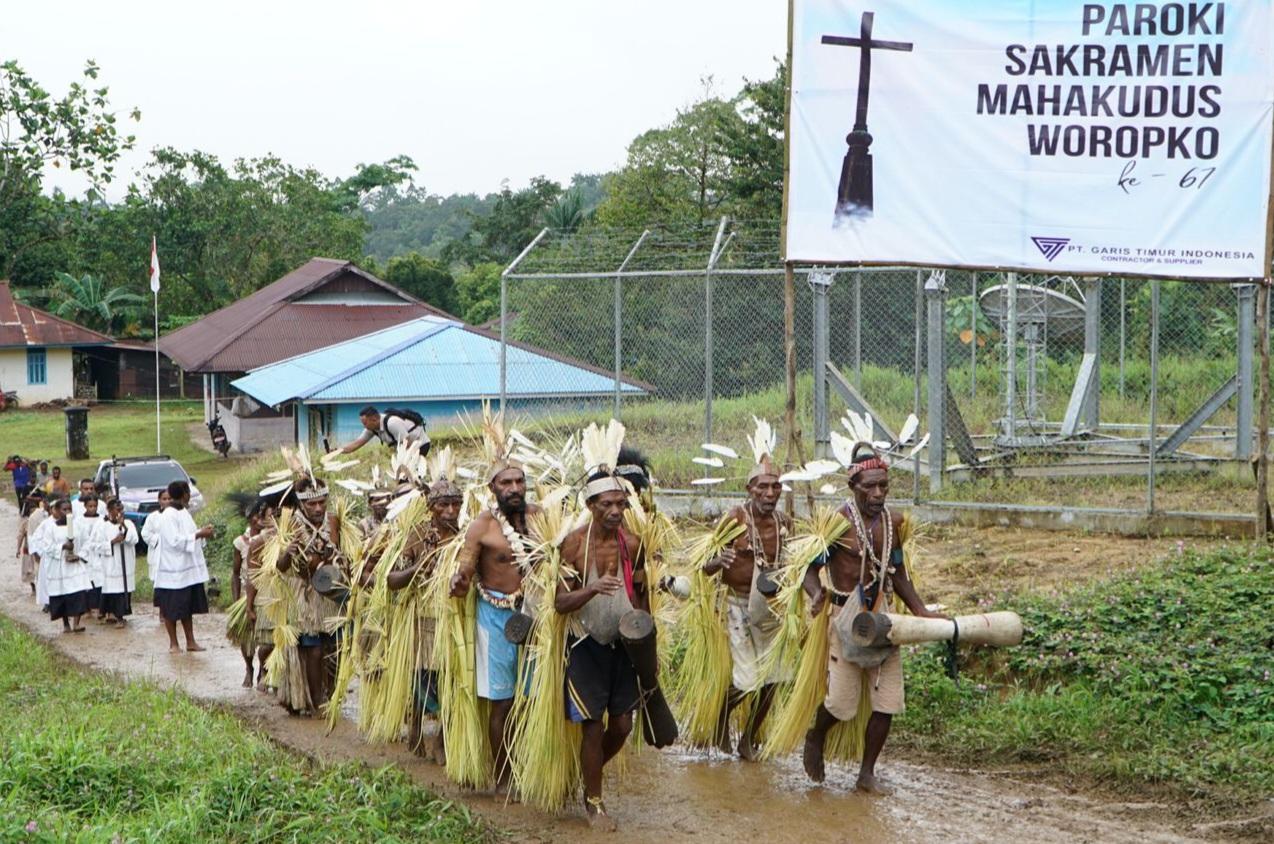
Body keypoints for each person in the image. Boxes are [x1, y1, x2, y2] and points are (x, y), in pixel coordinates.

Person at [801, 444, 947, 793]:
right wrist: (816, 593)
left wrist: (922, 613)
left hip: (883, 620)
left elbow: (898, 573)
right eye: (870, 486)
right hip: (845, 618)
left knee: (887, 703)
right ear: (854, 486)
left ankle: (866, 774)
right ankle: (816, 736)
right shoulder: (837, 524)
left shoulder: (894, 523)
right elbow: (809, 570)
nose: (878, 493)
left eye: (883, 485)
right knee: (840, 704)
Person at [555, 470, 650, 830]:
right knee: (592, 728)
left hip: (622, 645)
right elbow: (560, 602)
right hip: (585, 643)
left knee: (623, 725)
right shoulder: (574, 545)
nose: (615, 510)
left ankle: (587, 773)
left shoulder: (633, 543)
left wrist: (646, 641)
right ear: (590, 505)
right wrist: (593, 590)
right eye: (606, 504)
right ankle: (594, 802)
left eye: (621, 504)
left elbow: (641, 592)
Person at [449, 458, 540, 790]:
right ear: (493, 488)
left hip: (534, 616)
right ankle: (503, 777)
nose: (514, 488)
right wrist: (458, 581)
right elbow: (465, 567)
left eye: (519, 481)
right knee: (502, 701)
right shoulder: (482, 526)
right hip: (495, 618)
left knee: (532, 700)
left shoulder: (540, 518)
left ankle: (529, 767)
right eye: (506, 483)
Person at [703, 452, 791, 761]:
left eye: (776, 487)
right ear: (749, 488)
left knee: (775, 679)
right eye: (762, 487)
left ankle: (749, 739)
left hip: (771, 610)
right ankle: (720, 719)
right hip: (736, 606)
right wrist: (719, 561)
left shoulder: (784, 522)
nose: (770, 494)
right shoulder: (735, 519)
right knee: (748, 680)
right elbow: (704, 566)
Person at [391, 475, 462, 761]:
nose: (450, 511)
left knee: (454, 681)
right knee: (423, 677)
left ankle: (445, 740)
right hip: (424, 619)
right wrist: (419, 568)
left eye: (456, 504)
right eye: (444, 505)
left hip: (456, 620)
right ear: (431, 507)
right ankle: (417, 731)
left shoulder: (466, 536)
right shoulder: (417, 535)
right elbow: (392, 579)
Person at [278, 477, 346, 715]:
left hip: (331, 591)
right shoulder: (290, 524)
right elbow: (279, 565)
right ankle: (317, 701)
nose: (318, 508)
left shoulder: (333, 521)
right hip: (304, 595)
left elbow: (344, 554)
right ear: (301, 505)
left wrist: (335, 558)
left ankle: (333, 696)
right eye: (312, 504)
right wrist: (288, 552)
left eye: (321, 502)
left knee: (336, 646)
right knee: (313, 649)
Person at [153, 480, 213, 654]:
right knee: (170, 609)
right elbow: (174, 541)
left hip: (187, 570)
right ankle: (174, 644)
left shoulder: (183, 512)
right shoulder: (168, 515)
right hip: (172, 571)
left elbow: (189, 534)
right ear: (184, 494)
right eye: (188, 493)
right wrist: (199, 534)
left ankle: (190, 641)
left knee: (187, 607)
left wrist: (201, 532)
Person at [33, 499, 91, 633]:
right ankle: (66, 623)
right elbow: (47, 547)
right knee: (62, 594)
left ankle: (77, 623)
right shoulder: (51, 528)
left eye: (69, 509)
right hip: (58, 567)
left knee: (78, 592)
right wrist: (63, 546)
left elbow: (87, 541)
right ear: (58, 511)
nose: (67, 512)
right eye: (64, 510)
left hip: (75, 566)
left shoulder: (78, 526)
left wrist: (79, 555)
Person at [232, 501, 270, 687]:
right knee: (247, 638)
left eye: (262, 515)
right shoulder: (241, 542)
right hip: (247, 592)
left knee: (266, 637)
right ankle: (249, 668)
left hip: (266, 591)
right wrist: (237, 601)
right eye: (256, 516)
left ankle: (265, 669)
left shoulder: (269, 538)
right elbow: (235, 573)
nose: (260, 520)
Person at [243, 500, 277, 693]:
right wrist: (249, 606)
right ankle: (263, 671)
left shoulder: (295, 536)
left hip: (291, 595)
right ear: (263, 520)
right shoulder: (259, 542)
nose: (276, 519)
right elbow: (252, 577)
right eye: (271, 516)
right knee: (267, 642)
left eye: (279, 515)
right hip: (267, 594)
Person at [91, 498, 138, 627]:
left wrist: (124, 527)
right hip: (111, 563)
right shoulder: (103, 526)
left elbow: (134, 539)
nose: (120, 512)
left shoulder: (128, 523)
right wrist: (112, 542)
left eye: (122, 509)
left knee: (123, 590)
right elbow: (95, 545)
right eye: (117, 509)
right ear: (110, 510)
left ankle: (121, 616)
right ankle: (113, 614)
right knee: (113, 590)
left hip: (125, 563)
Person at [336, 406, 430, 458]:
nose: (364, 426)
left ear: (374, 419)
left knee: (410, 475)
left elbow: (407, 443)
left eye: (365, 423)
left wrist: (405, 461)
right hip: (405, 448)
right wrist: (337, 451)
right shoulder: (371, 428)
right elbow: (356, 444)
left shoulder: (392, 423)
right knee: (403, 477)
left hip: (420, 444)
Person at [72, 494, 104, 620]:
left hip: (98, 555)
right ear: (84, 506)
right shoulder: (78, 521)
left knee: (100, 580)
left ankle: (100, 608)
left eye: (95, 506)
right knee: (86, 581)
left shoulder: (102, 519)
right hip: (84, 554)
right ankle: (87, 609)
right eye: (90, 506)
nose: (92, 508)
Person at [17, 490, 47, 595]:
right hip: (28, 550)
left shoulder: (42, 521)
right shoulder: (25, 523)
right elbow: (20, 536)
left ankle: (40, 586)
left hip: (38, 550)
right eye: (31, 511)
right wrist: (18, 549)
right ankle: (33, 587)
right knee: (29, 571)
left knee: (38, 569)